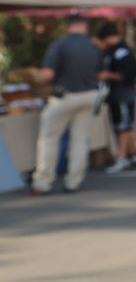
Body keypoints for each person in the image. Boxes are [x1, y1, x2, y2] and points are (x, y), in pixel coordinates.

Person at [29, 15, 103, 195]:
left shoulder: (60, 45)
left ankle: (43, 182)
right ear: (85, 26)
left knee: (49, 139)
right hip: (90, 95)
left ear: (67, 27)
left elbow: (48, 74)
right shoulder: (93, 46)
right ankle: (74, 181)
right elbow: (100, 74)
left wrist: (35, 75)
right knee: (80, 140)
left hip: (65, 96)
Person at [98, 22, 136, 174]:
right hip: (116, 94)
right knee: (127, 125)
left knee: (123, 126)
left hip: (123, 94)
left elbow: (128, 74)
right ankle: (131, 154)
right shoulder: (111, 51)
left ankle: (122, 157)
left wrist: (107, 75)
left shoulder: (122, 51)